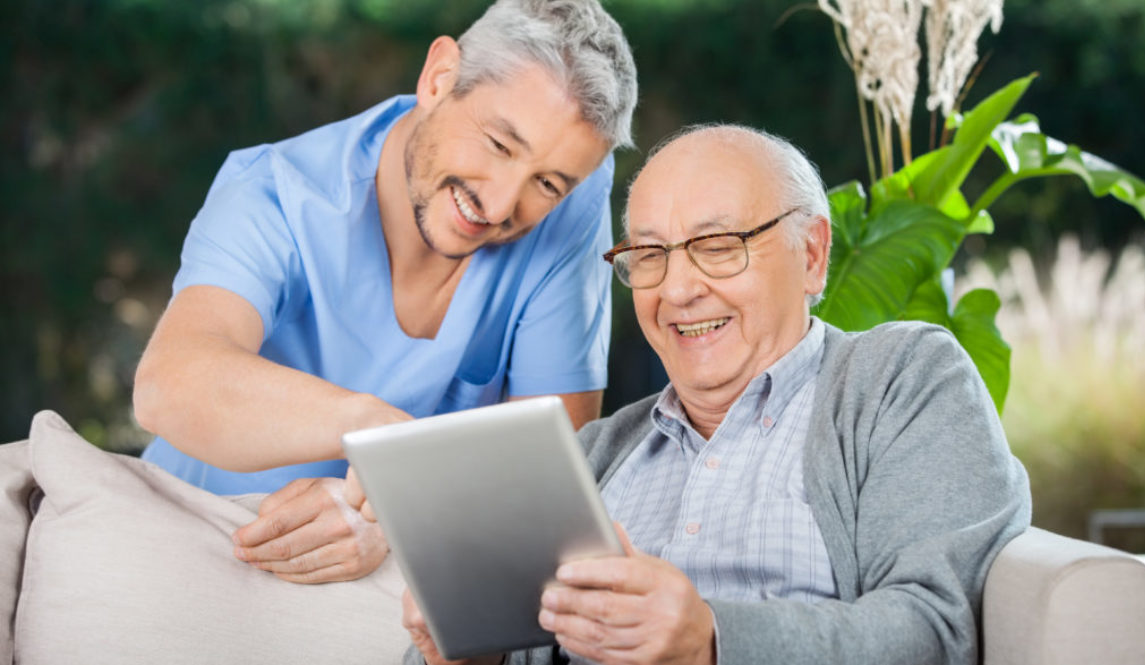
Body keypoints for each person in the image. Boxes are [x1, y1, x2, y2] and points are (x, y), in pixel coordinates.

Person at [400, 124, 1031, 665]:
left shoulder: (899, 380)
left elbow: (933, 634)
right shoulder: (596, 455)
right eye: (648, 255)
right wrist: (473, 652)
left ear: (811, 254)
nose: (676, 290)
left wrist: (710, 641)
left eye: (717, 247)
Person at [131, 0, 637, 584]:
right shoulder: (275, 194)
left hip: (388, 586)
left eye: (546, 183)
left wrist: (401, 513)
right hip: (204, 544)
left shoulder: (570, 203)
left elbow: (549, 467)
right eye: (499, 145)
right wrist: (379, 434)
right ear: (439, 78)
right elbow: (169, 385)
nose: (499, 206)